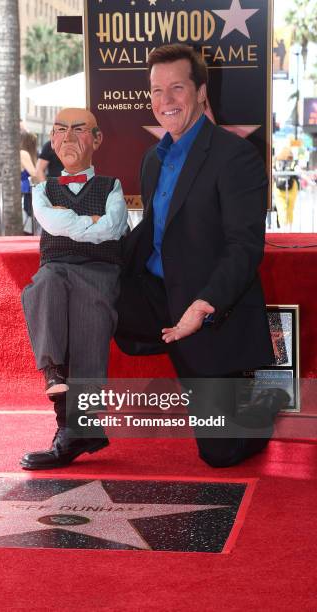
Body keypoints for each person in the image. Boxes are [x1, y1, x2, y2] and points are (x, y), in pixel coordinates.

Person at [114, 43, 289, 468]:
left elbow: (244, 248)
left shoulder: (236, 158)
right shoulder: (152, 161)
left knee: (220, 453)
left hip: (207, 312)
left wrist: (203, 306)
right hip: (156, 299)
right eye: (156, 91)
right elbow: (153, 234)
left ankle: (263, 406)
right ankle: (72, 426)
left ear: (201, 91)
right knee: (68, 290)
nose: (165, 101)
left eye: (176, 88)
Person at [20, 108, 128, 470]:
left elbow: (112, 228)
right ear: (52, 139)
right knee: (43, 285)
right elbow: (52, 220)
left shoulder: (112, 185)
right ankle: (54, 374)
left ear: (96, 140)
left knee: (88, 310)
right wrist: (88, 222)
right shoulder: (42, 190)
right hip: (57, 269)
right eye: (60, 130)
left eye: (78, 130)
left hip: (100, 271)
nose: (68, 137)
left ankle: (78, 428)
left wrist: (74, 223)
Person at [273, 147, 299, 229]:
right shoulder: (293, 163)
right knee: (290, 209)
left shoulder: (276, 162)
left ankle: (283, 228)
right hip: (292, 188)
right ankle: (289, 228)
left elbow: (272, 172)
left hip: (278, 188)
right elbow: (298, 172)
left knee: (281, 209)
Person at [20, 131, 38, 235]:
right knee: (28, 218)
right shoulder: (24, 153)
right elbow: (33, 173)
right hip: (27, 190)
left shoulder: (27, 154)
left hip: (28, 190)